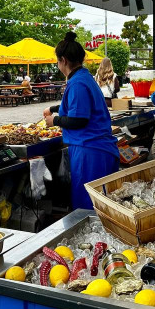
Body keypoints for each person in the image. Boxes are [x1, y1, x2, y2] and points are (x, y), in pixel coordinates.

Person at [43, 32, 119, 210]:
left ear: (63, 60)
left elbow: (79, 120)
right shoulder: (84, 77)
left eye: (57, 61)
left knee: (89, 207)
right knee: (102, 204)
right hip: (97, 149)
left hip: (90, 151)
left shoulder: (78, 83)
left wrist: (55, 120)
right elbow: (78, 105)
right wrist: (54, 108)